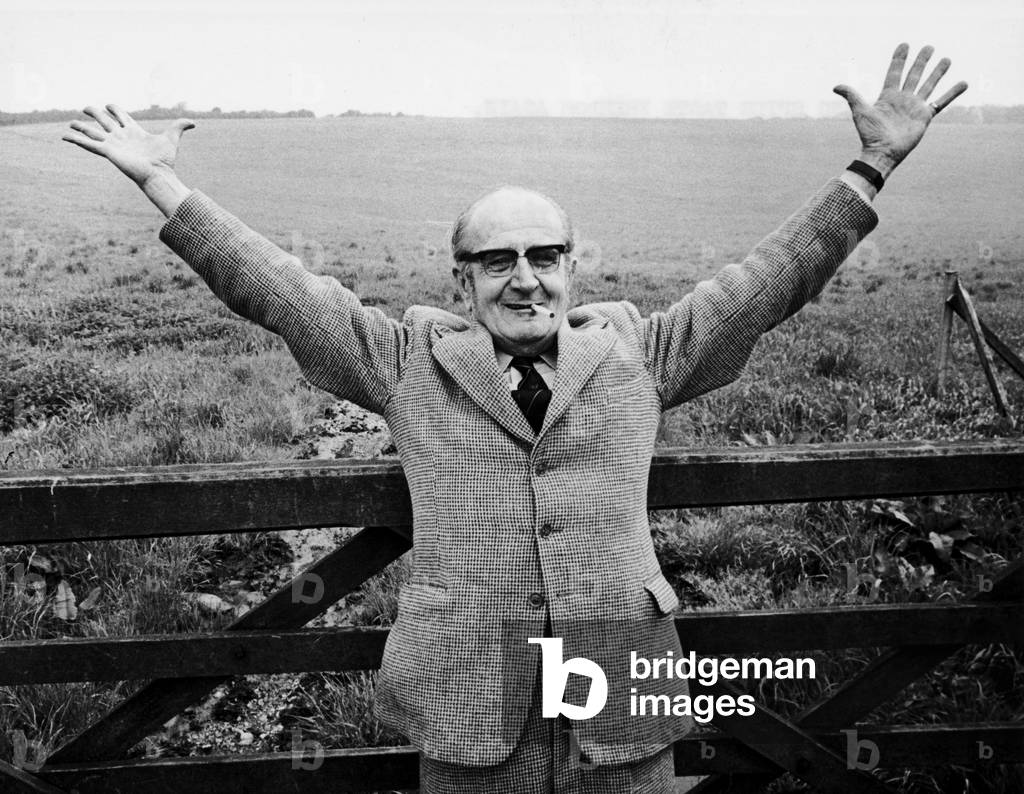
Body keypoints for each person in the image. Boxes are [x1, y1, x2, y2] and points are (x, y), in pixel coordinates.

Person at [64, 43, 966, 794]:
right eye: (496, 260)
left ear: (573, 268)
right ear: (462, 280)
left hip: (621, 704)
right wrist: (162, 186)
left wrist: (873, 163)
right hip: (469, 710)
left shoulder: (640, 355)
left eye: (544, 256)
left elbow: (770, 281)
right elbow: (278, 289)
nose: (524, 277)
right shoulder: (407, 363)